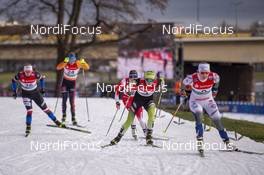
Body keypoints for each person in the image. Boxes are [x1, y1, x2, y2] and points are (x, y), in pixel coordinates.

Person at [181, 63, 236, 152]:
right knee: (199, 114)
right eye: (202, 73)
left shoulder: (214, 76)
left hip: (208, 101)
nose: (204, 75)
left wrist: (215, 90)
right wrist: (184, 92)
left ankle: (227, 143)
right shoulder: (192, 78)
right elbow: (183, 85)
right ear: (198, 72)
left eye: (206, 73)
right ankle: (200, 142)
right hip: (195, 101)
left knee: (217, 119)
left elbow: (217, 83)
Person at [11, 64, 64, 136]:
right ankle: (28, 127)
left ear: (31, 71)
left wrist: (42, 89)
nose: (27, 73)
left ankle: (57, 122)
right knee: (29, 111)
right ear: (24, 71)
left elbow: (42, 79)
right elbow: (13, 80)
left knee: (46, 109)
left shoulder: (36, 74)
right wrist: (14, 91)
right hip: (26, 95)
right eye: (26, 72)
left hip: (36, 94)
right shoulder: (20, 75)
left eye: (29, 71)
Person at [110, 70, 160, 146]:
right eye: (147, 80)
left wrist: (162, 82)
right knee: (129, 120)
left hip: (148, 101)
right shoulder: (139, 81)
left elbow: (161, 81)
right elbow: (124, 87)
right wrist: (127, 91)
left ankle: (148, 137)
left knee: (152, 115)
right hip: (137, 101)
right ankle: (118, 137)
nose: (149, 82)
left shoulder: (157, 82)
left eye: (151, 80)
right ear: (144, 78)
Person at [56, 52, 89, 125]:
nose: (71, 61)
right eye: (70, 60)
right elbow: (58, 67)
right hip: (64, 83)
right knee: (64, 100)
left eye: (73, 60)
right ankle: (64, 116)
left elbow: (87, 68)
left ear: (75, 59)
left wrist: (84, 63)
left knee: (72, 102)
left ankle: (73, 117)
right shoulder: (66, 63)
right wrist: (64, 62)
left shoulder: (78, 63)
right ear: (68, 59)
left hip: (72, 84)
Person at [115, 70, 147, 139]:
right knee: (132, 114)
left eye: (135, 77)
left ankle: (146, 134)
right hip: (127, 99)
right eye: (131, 76)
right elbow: (117, 92)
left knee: (140, 117)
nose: (133, 78)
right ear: (129, 76)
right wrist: (117, 102)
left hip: (136, 100)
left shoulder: (140, 82)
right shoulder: (124, 81)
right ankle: (134, 131)